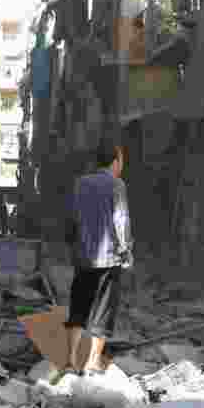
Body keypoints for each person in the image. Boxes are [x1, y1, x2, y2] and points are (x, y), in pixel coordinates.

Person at [58, 139, 133, 380]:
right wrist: (125, 250)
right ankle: (91, 364)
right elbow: (121, 219)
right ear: (115, 161)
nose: (122, 164)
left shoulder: (80, 183)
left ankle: (70, 362)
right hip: (109, 259)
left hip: (83, 258)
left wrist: (73, 246)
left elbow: (71, 218)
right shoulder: (117, 185)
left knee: (78, 309)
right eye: (121, 160)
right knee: (103, 313)